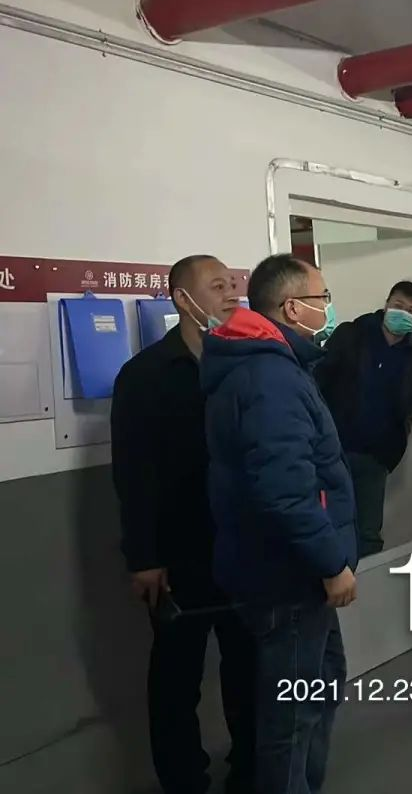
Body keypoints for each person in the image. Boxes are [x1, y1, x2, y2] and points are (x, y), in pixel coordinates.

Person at [200, 254, 358, 793]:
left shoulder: (278, 366)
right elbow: (285, 489)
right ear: (292, 308)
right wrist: (331, 562)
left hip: (290, 571)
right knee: (291, 718)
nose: (328, 307)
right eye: (321, 298)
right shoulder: (269, 377)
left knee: (323, 683)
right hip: (287, 574)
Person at [110, 254, 255, 794]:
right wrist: (143, 557)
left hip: (240, 549)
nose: (230, 294)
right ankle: (183, 779)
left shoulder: (243, 364)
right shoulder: (145, 375)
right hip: (177, 556)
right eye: (217, 286)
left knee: (248, 669)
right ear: (182, 299)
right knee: (176, 679)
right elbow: (133, 474)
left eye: (232, 285)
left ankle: (250, 770)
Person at [316, 281, 412, 558]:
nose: (404, 313)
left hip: (376, 458)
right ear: (387, 304)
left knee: (368, 533)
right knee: (331, 525)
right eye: (399, 306)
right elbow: (319, 382)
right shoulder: (351, 334)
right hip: (334, 452)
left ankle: (367, 584)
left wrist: (393, 448)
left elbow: (410, 404)